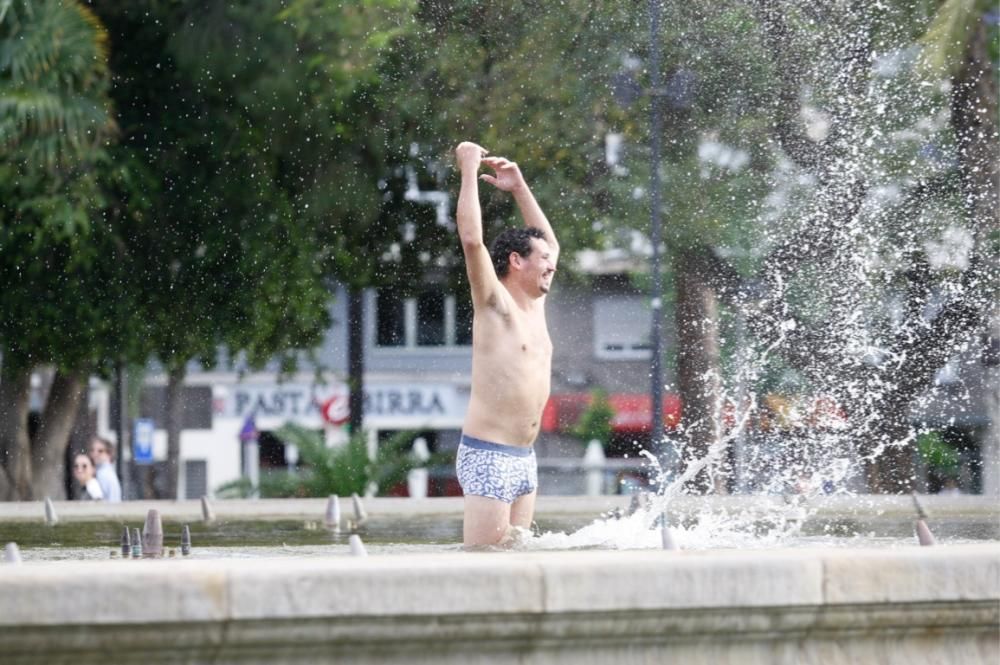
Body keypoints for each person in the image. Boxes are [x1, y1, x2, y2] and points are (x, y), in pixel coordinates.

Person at [453, 141, 559, 548]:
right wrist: (467, 170)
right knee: (485, 565)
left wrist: (519, 188)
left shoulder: (538, 305)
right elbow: (471, 241)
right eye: (543, 258)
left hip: (523, 458)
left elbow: (551, 242)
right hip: (489, 454)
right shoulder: (495, 303)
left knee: (518, 562)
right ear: (517, 261)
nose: (552, 263)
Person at [89, 436, 122, 502]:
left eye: (100, 451)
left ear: (109, 454)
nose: (95, 454)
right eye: (92, 450)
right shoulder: (100, 471)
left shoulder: (104, 474)